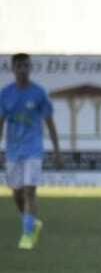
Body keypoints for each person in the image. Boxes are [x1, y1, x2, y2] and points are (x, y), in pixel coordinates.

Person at [1, 52, 61, 250]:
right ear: (13, 69)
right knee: (17, 193)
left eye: (26, 66)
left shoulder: (38, 93)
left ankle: (27, 234)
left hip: (33, 150)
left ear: (30, 68)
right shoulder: (6, 94)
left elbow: (50, 123)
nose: (23, 70)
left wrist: (57, 150)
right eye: (19, 66)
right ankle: (31, 221)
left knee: (29, 191)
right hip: (13, 151)